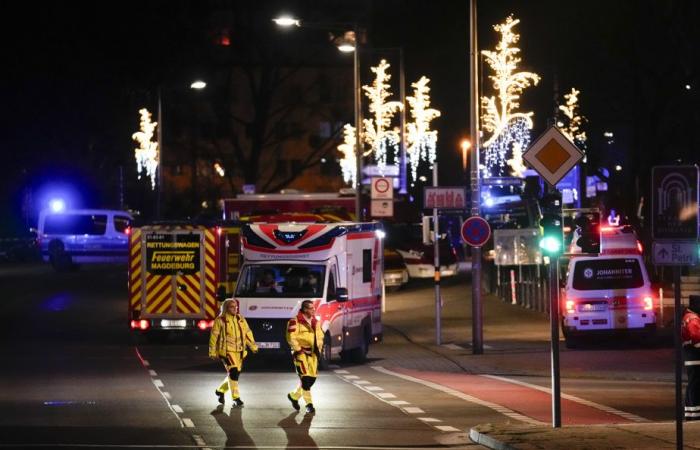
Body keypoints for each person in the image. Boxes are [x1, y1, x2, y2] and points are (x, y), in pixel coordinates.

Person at [209, 298, 258, 407]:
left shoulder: (240, 318)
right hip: (226, 352)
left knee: (234, 375)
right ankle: (236, 398)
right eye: (232, 306)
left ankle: (220, 391)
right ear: (226, 308)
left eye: (236, 306)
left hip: (240, 351)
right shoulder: (220, 320)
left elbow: (247, 333)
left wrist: (253, 346)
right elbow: (214, 336)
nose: (235, 308)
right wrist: (212, 351)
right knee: (234, 372)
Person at [286, 300, 324, 414]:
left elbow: (320, 336)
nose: (314, 310)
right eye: (311, 308)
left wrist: (319, 350)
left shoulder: (315, 322)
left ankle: (294, 396)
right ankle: (309, 405)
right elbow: (291, 337)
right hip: (301, 353)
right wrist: (298, 349)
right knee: (305, 379)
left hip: (312, 354)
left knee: (312, 379)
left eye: (313, 308)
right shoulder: (294, 321)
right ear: (305, 309)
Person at [682, 295, 700, 420]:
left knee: (692, 384)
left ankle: (690, 412)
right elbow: (696, 336)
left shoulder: (687, 317)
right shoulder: (693, 319)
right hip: (695, 355)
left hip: (690, 355)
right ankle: (695, 413)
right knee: (696, 384)